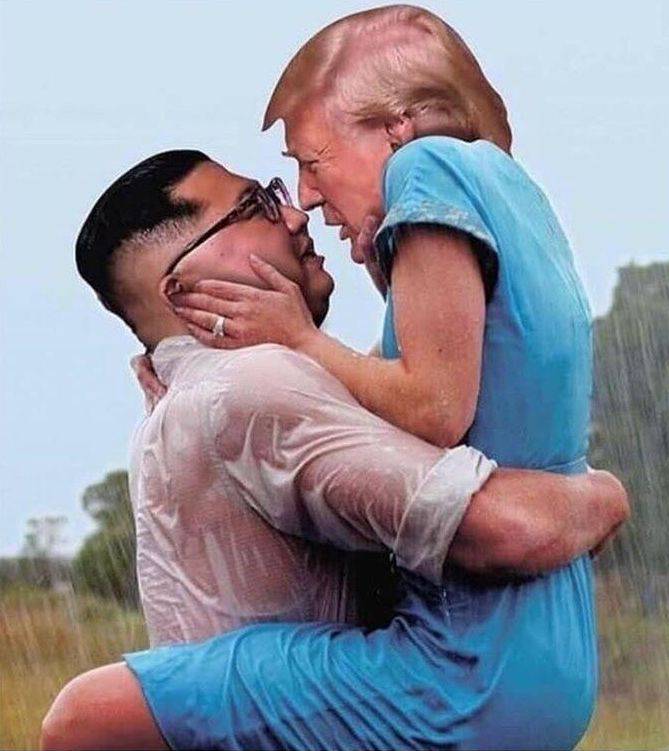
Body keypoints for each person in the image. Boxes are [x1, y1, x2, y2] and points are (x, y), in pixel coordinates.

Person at [41, 150, 627, 750]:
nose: (296, 216)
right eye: (256, 207)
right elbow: (506, 533)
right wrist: (603, 494)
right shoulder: (249, 388)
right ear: (183, 288)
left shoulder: (179, 402)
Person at [163, 4, 611, 749]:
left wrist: (299, 339)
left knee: (105, 709)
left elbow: (434, 408)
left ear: (396, 127)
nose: (306, 196)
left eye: (312, 161)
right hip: (552, 642)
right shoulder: (509, 186)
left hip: (469, 659)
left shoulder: (425, 166)